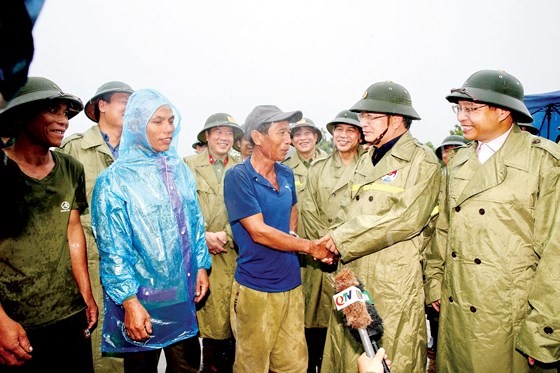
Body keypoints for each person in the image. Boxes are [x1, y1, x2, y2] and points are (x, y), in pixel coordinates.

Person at [424, 69, 560, 372]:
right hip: (456, 307)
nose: (462, 116)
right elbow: (442, 230)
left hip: (510, 314)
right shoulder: (459, 161)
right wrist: (434, 282)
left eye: (471, 109)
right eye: (459, 108)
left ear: (502, 112)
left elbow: (556, 254)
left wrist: (544, 332)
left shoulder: (543, 162)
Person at [321, 81, 441, 373]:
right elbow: (354, 214)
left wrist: (340, 239)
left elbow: (407, 218)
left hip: (393, 280)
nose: (363, 124)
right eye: (362, 117)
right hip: (355, 273)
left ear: (397, 119)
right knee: (348, 354)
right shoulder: (365, 158)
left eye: (371, 117)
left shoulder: (421, 161)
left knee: (392, 354)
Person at [91, 88, 211, 373]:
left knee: (187, 367)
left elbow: (194, 222)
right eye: (157, 121)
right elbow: (113, 249)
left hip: (181, 298)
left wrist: (202, 266)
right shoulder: (114, 180)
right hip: (141, 302)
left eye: (171, 120)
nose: (168, 128)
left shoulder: (178, 170)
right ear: (136, 124)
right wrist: (129, 302)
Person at [223, 104, 335, 373]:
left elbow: (292, 209)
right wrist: (309, 247)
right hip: (255, 289)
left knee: (293, 365)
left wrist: (290, 236)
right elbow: (258, 231)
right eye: (282, 133)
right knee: (253, 366)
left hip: (291, 286)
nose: (289, 140)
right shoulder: (239, 177)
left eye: (290, 133)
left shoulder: (285, 173)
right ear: (258, 137)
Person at [0, 76, 97, 370]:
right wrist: (1, 322)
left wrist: (86, 294)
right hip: (17, 324)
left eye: (66, 113)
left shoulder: (70, 168)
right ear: (22, 113)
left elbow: (72, 230)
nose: (63, 121)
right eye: (53, 111)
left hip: (69, 316)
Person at [59, 80, 133, 373]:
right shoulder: (74, 149)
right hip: (87, 259)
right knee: (97, 335)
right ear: (102, 105)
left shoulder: (138, 152)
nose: (130, 109)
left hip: (131, 259)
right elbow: (63, 214)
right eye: (123, 102)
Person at [300, 109, 366, 373]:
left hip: (354, 256)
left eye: (350, 130)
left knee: (351, 323)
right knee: (316, 322)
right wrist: (327, 245)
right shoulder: (318, 168)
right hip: (323, 257)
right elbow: (308, 209)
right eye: (339, 130)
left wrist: (344, 241)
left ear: (360, 136)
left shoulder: (369, 165)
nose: (343, 135)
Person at [184, 112, 243, 373]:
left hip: (231, 253)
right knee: (193, 332)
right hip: (194, 255)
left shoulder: (243, 167)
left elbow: (250, 209)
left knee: (229, 327)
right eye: (218, 132)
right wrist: (202, 236)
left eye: (229, 133)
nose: (223, 137)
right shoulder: (186, 166)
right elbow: (178, 209)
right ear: (206, 136)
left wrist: (226, 235)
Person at [282, 117, 327, 237]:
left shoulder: (330, 164)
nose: (303, 138)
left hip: (324, 238)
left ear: (316, 137)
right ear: (292, 140)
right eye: (297, 135)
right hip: (295, 238)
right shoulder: (283, 169)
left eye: (307, 133)